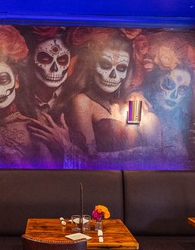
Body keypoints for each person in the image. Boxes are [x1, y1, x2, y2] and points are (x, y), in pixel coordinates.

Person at [0, 25, 65, 168]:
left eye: (3, 80)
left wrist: (63, 146)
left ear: (16, 81)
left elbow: (53, 177)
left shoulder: (38, 124)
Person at [65, 31, 161, 168]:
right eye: (105, 65)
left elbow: (135, 140)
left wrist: (133, 98)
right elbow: (89, 157)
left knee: (150, 118)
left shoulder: (126, 103)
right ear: (93, 67)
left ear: (127, 72)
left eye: (121, 68)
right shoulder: (83, 101)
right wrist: (143, 153)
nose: (113, 75)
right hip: (100, 181)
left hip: (132, 180)